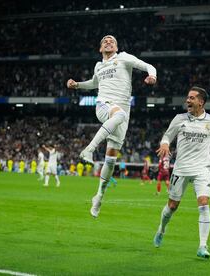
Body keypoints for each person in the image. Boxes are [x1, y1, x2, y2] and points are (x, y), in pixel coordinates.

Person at [67, 34, 157, 218]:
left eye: (112, 41)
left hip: (122, 113)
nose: (108, 42)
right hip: (104, 105)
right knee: (119, 114)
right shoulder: (98, 65)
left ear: (116, 47)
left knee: (111, 159)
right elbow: (94, 84)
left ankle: (99, 196)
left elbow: (148, 66)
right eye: (105, 41)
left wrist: (152, 75)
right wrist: (77, 85)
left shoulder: (124, 58)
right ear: (100, 49)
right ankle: (89, 150)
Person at [153, 87, 210, 259]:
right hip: (181, 168)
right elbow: (167, 136)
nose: (188, 100)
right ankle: (161, 229)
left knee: (203, 203)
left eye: (192, 98)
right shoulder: (179, 119)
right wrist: (165, 144)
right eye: (187, 97)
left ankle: (203, 246)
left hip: (202, 168)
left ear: (201, 102)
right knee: (172, 206)